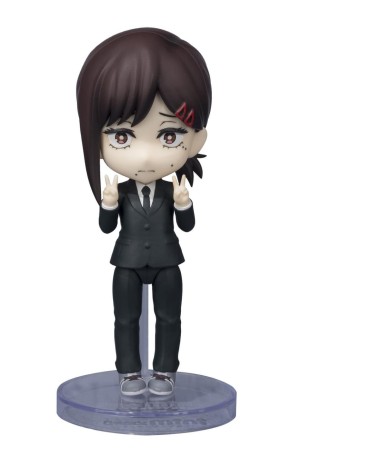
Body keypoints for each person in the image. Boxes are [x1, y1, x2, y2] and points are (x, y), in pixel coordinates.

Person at [76, 28, 212, 396]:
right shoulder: (120, 192)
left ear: (195, 140)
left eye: (169, 136)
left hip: (167, 261)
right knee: (125, 320)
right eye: (121, 136)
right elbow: (107, 228)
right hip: (128, 261)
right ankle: (129, 373)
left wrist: (184, 204)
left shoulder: (171, 190)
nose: (147, 156)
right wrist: (108, 204)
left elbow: (188, 226)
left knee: (169, 318)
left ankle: (165, 372)